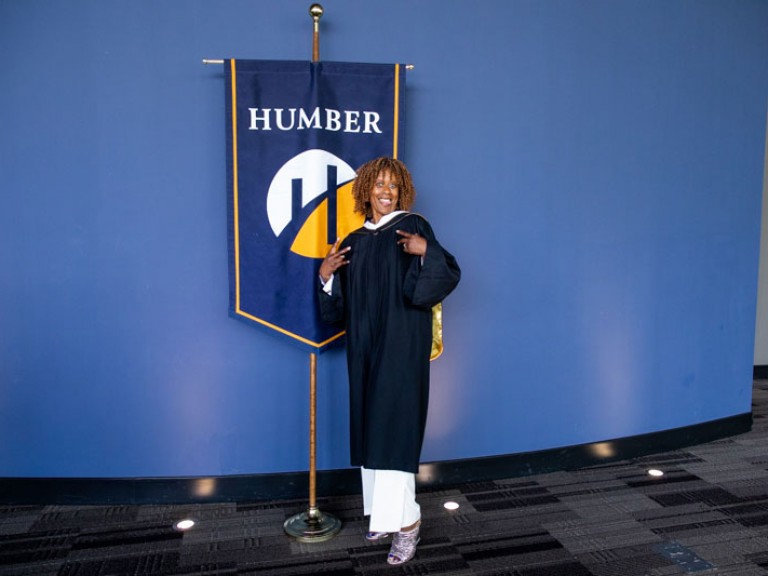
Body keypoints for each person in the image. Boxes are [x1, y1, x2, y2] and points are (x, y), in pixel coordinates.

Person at [318, 157, 460, 565]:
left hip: (401, 343)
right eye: (378, 184)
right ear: (365, 190)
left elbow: (439, 280)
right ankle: (383, 514)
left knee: (394, 427)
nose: (385, 191)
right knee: (371, 424)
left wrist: (426, 250)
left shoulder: (412, 227)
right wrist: (326, 275)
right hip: (364, 344)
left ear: (401, 191)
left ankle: (408, 523)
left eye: (393, 185)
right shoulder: (355, 239)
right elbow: (338, 307)